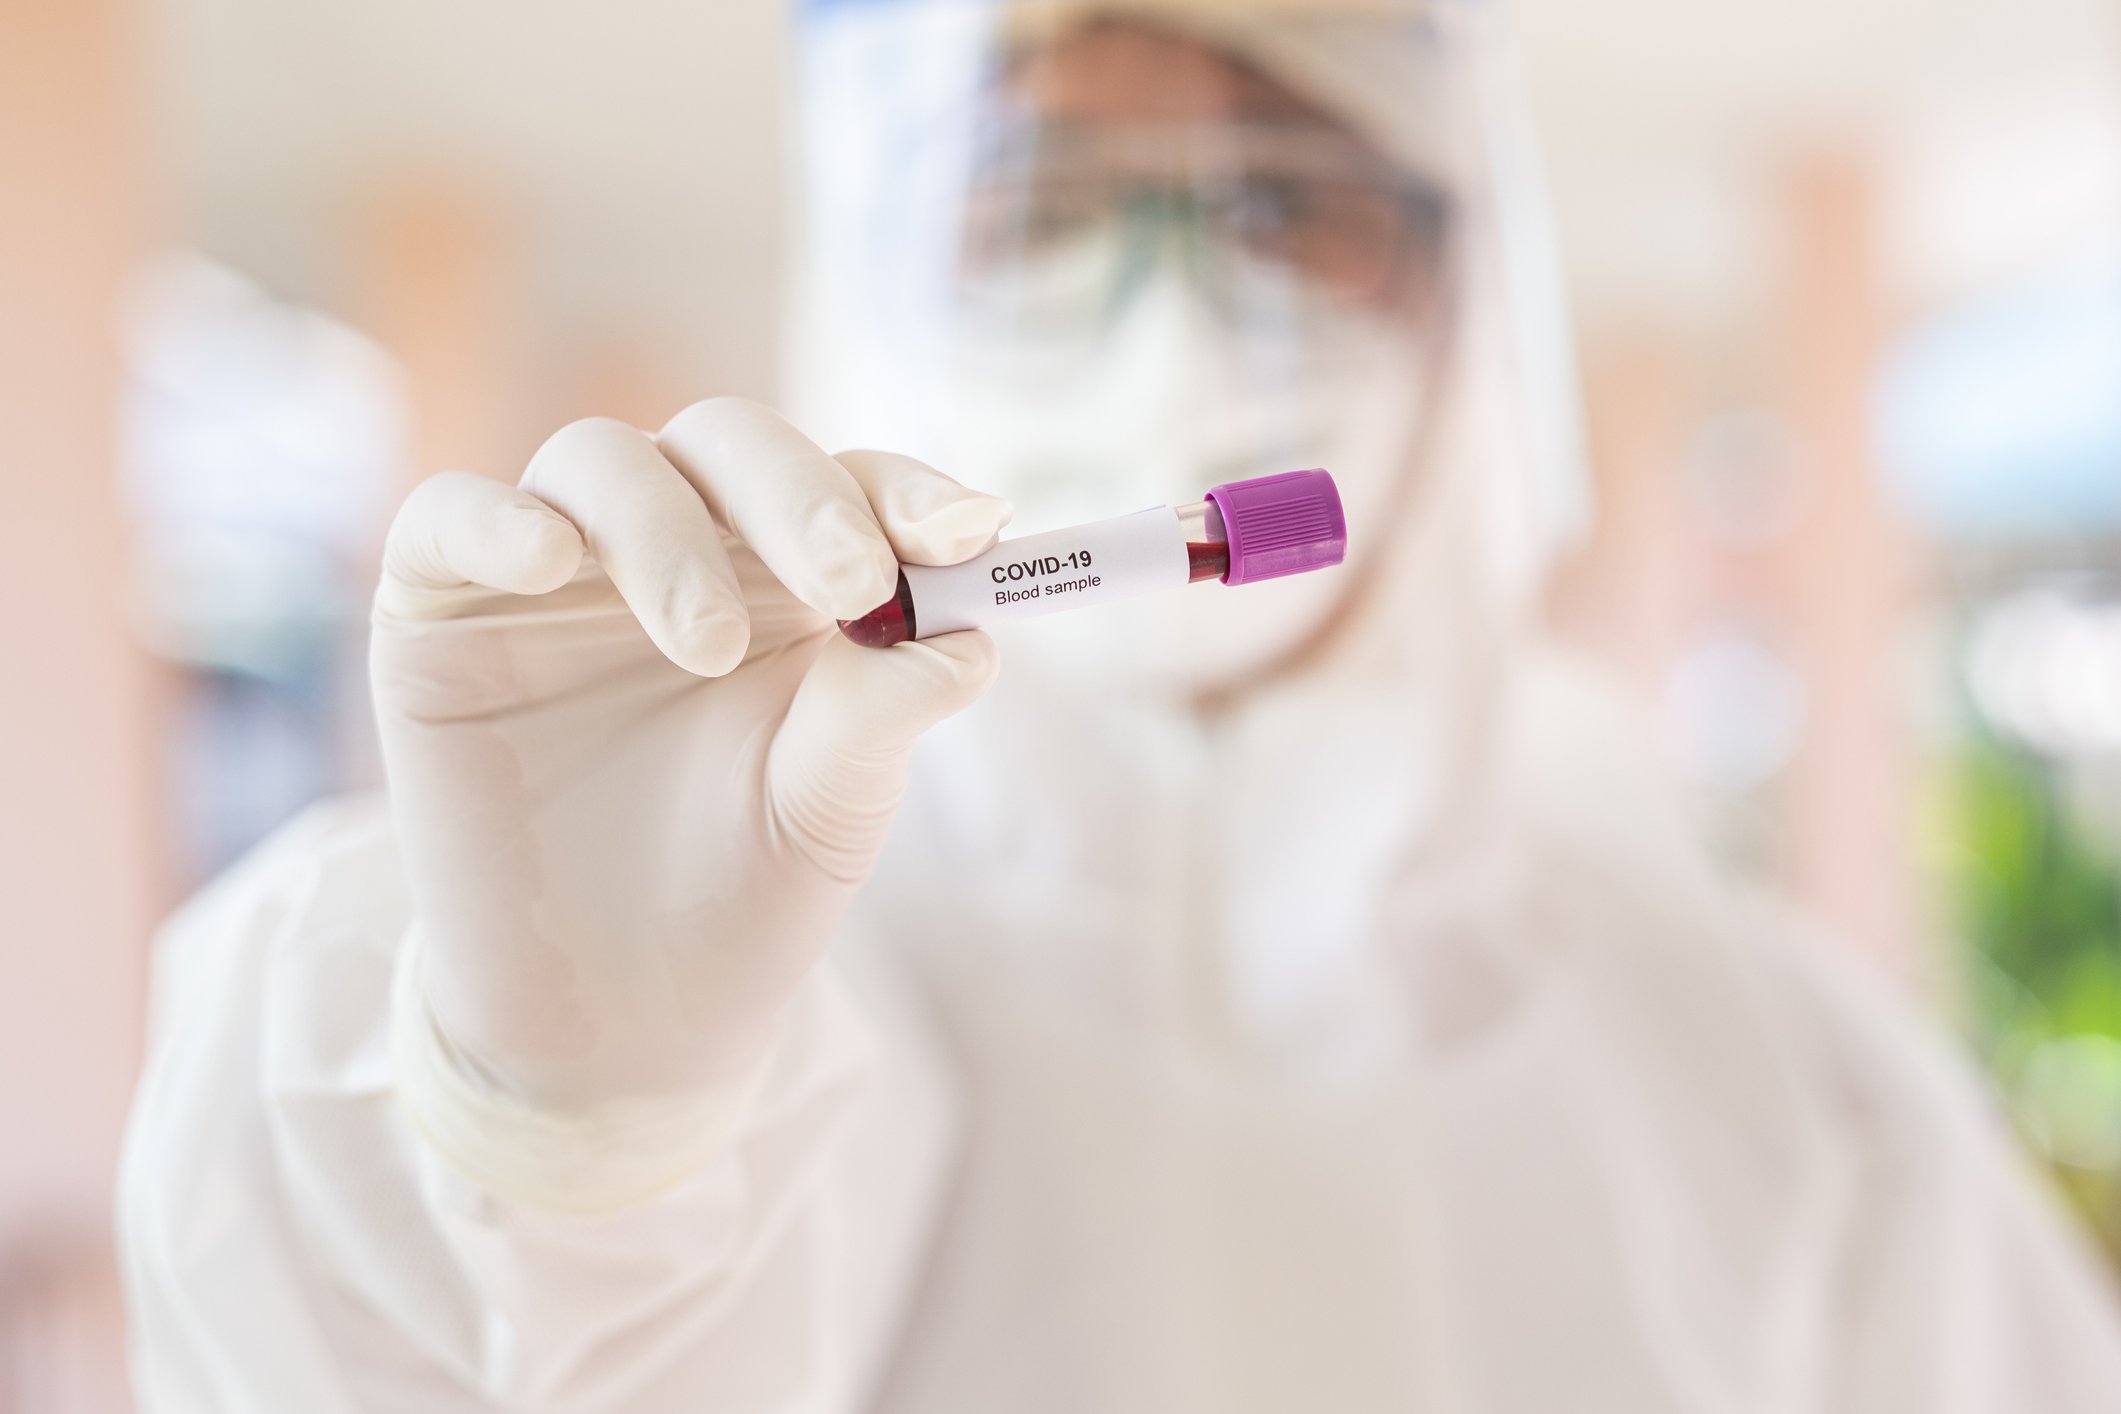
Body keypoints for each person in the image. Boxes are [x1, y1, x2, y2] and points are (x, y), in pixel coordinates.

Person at [119, 1, 2121, 1409]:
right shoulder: (768, 969)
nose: (1168, 307)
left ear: (1456, 301)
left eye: (1282, 205)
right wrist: (536, 1129)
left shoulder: (1793, 1096)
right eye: (1038, 210)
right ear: (892, 273)